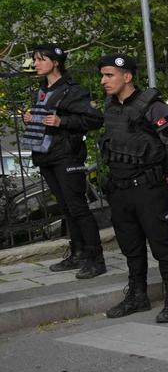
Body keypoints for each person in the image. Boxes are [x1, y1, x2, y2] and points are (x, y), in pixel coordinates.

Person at [96, 53, 168, 323]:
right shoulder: (110, 108)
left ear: (127, 76)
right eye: (102, 75)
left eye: (109, 75)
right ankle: (137, 297)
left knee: (162, 246)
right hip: (119, 190)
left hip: (148, 189)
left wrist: (162, 174)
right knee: (131, 247)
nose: (103, 80)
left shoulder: (153, 107)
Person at [20, 44, 106, 279]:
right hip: (46, 155)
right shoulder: (41, 90)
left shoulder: (72, 90)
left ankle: (96, 259)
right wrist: (32, 118)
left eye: (39, 59)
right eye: (34, 59)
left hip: (67, 155)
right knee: (67, 207)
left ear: (55, 62)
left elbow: (93, 119)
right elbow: (47, 119)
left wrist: (62, 122)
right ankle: (78, 253)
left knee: (78, 207)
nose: (35, 64)